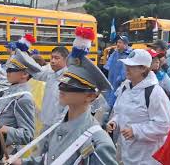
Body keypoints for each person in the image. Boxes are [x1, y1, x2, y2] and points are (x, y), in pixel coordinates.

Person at [11, 26, 118, 165]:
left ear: (91, 96)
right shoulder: (60, 127)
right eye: (62, 84)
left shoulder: (97, 141)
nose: (62, 88)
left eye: (70, 86)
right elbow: (48, 160)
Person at [107, 49, 170, 165]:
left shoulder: (155, 93)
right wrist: (114, 122)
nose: (126, 68)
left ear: (143, 69)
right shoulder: (125, 87)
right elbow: (119, 111)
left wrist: (136, 130)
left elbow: (164, 125)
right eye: (126, 64)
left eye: (131, 66)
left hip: (148, 158)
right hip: (128, 154)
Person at [0, 48, 41, 154]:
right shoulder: (10, 90)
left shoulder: (23, 98)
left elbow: (27, 135)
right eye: (7, 70)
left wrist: (3, 128)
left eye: (11, 70)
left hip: (5, 151)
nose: (7, 73)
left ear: (24, 74)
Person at [32, 46, 69, 129]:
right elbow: (35, 74)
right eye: (51, 58)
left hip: (58, 125)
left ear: (66, 60)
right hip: (46, 122)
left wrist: (61, 123)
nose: (52, 61)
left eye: (56, 58)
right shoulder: (50, 74)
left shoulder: (69, 78)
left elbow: (69, 106)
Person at [147, 49, 170, 115]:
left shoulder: (163, 76)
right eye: (154, 60)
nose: (157, 62)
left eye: (157, 60)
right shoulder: (140, 77)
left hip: (161, 111)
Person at [103, 35, 132, 109]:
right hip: (111, 81)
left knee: (118, 102)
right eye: (117, 42)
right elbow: (107, 66)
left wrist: (122, 78)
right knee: (109, 101)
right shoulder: (115, 53)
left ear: (125, 44)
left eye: (120, 42)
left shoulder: (129, 55)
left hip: (121, 84)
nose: (118, 44)